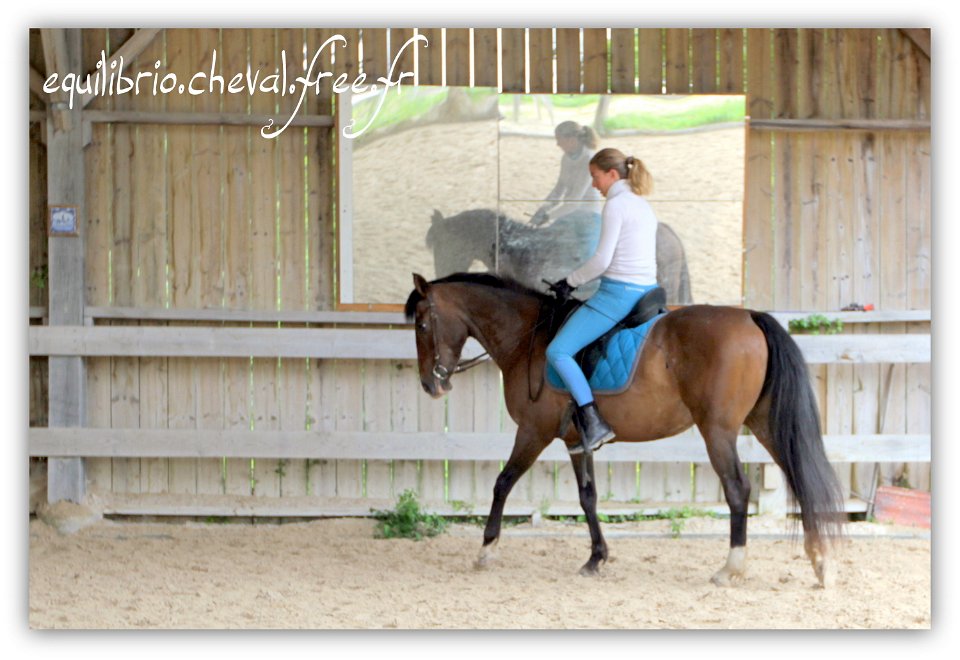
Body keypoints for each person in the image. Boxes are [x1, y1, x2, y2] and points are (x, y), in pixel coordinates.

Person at [545, 148, 660, 454]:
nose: (594, 184)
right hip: (647, 291)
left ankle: (593, 422)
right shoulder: (642, 204)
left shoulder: (616, 205)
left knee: (558, 351)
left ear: (611, 174)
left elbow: (602, 261)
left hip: (618, 294)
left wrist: (569, 282)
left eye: (595, 177)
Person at [529, 121, 604, 230]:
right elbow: (558, 190)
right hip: (570, 213)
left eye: (559, 139)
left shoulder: (589, 160)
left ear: (571, 139)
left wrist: (547, 216)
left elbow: (575, 201)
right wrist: (543, 209)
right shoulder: (566, 158)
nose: (557, 144)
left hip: (588, 217)